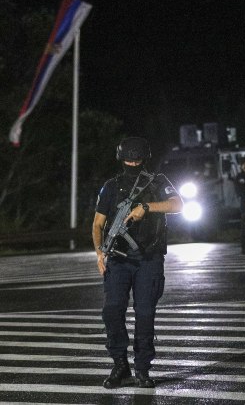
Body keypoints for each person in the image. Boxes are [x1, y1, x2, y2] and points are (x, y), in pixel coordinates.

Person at [92, 137, 183, 388]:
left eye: (137, 160)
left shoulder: (158, 181)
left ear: (145, 159)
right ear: (121, 159)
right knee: (112, 311)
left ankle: (142, 369)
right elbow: (98, 224)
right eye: (128, 160)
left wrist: (147, 207)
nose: (132, 164)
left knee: (144, 313)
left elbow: (178, 204)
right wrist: (99, 253)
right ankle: (120, 365)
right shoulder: (111, 186)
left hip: (149, 259)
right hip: (118, 259)